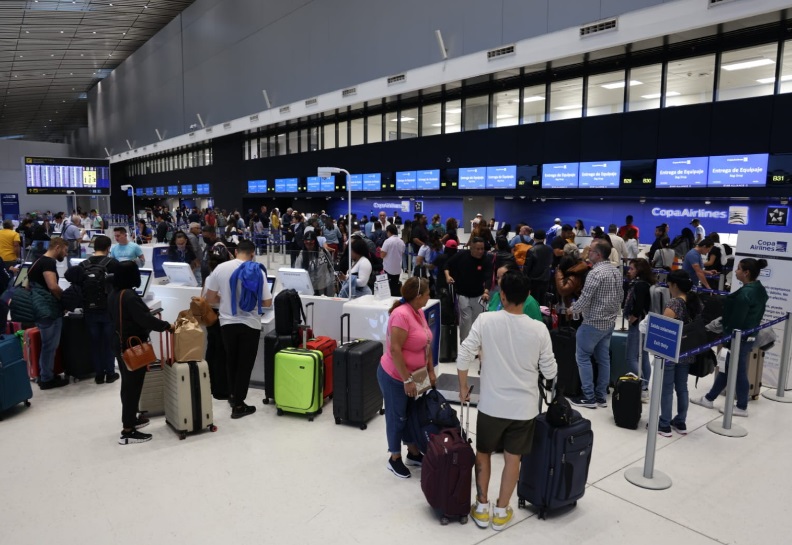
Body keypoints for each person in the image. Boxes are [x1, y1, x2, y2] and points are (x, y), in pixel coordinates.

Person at [458, 271, 557, 531]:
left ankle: (481, 506)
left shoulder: (486, 321)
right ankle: (501, 511)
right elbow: (550, 371)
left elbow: (464, 354)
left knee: (483, 453)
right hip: (524, 408)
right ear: (527, 298)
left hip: (491, 405)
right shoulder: (539, 329)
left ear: (502, 295)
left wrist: (462, 388)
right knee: (514, 459)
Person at [692, 258, 769, 418]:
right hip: (748, 336)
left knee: (738, 371)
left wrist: (725, 335)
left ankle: (742, 406)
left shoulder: (745, 294)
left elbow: (736, 320)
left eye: (739, 269)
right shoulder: (759, 289)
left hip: (739, 337)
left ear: (746, 272)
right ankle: (709, 398)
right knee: (728, 369)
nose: (735, 272)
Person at [204, 240, 272, 418]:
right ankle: (239, 405)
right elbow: (267, 302)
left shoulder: (221, 269)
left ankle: (232, 396)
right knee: (244, 365)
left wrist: (226, 299)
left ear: (235, 251)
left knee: (231, 361)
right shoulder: (257, 270)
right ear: (252, 253)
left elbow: (209, 298)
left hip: (227, 323)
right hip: (250, 324)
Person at [377, 277, 435, 479]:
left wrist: (430, 370)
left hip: (417, 374)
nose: (429, 297)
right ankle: (394, 458)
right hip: (397, 376)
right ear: (418, 296)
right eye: (427, 294)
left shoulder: (418, 311)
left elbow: (426, 342)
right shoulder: (401, 315)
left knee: (413, 414)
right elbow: (395, 350)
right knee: (397, 417)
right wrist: (407, 380)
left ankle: (413, 452)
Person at [109, 261, 171, 444]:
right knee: (132, 386)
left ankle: (132, 419)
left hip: (119, 343)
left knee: (128, 384)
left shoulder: (114, 293)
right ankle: (128, 430)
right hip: (132, 346)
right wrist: (167, 326)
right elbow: (145, 320)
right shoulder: (129, 296)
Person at [567, 239, 623, 408]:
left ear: (598, 254)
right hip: (609, 322)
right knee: (603, 359)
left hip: (592, 323)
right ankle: (600, 396)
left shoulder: (595, 273)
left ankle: (588, 397)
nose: (587, 252)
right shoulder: (616, 271)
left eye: (590, 250)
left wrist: (572, 309)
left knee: (583, 357)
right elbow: (620, 296)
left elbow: (585, 299)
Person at [653, 269, 702, 436]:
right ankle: (680, 421)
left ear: (674, 285)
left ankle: (664, 424)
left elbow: (664, 328)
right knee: (682, 388)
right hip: (688, 351)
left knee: (666, 388)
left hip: (671, 352)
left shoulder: (674, 304)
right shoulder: (694, 301)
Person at [27, 237, 69, 390]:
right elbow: (52, 286)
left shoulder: (37, 261)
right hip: (48, 310)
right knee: (50, 345)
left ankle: (45, 374)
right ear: (57, 247)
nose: (65, 254)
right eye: (65, 250)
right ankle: (46, 378)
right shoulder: (48, 262)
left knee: (48, 344)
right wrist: (64, 299)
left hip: (39, 308)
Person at [80, 235, 120, 385]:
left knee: (95, 343)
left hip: (89, 309)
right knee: (108, 342)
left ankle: (98, 375)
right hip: (107, 308)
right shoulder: (113, 263)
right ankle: (110, 373)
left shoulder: (83, 264)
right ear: (108, 248)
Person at [444, 237, 491, 342]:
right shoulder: (461, 255)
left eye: (482, 249)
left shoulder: (486, 260)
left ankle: (475, 344)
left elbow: (488, 277)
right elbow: (447, 265)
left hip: (479, 295)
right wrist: (448, 276)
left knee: (476, 321)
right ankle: (465, 345)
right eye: (478, 249)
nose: (480, 251)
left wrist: (486, 291)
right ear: (471, 248)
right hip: (462, 294)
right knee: (466, 320)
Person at [624, 259, 654, 402]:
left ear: (639, 270)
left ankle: (641, 386)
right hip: (647, 323)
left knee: (631, 357)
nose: (629, 271)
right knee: (644, 356)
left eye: (631, 269)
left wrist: (633, 317)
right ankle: (645, 387)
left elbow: (638, 304)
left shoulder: (639, 285)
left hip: (638, 323)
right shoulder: (648, 284)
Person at [295, 231, 336, 296]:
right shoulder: (301, 255)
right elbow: (297, 272)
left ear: (315, 242)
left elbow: (331, 267)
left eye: (311, 243)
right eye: (306, 243)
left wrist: (333, 283)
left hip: (325, 286)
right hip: (311, 288)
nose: (309, 245)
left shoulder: (324, 252)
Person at [522, 229, 553, 306]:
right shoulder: (549, 249)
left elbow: (527, 268)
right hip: (546, 280)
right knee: (543, 302)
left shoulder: (531, 250)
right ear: (544, 238)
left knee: (533, 303)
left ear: (534, 238)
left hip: (533, 281)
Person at [380, 224, 405, 296]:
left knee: (387, 287)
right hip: (397, 268)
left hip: (388, 268)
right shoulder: (401, 242)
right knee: (395, 285)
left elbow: (382, 255)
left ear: (389, 232)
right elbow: (402, 254)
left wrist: (381, 251)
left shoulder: (387, 241)